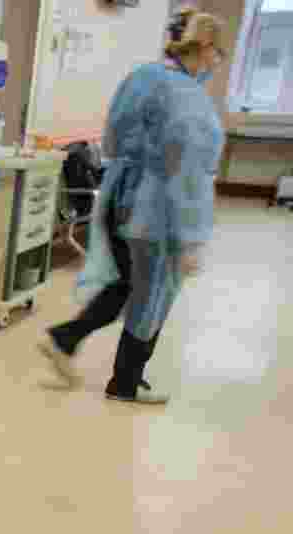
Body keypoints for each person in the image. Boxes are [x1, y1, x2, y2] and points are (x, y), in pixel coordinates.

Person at [39, 9, 226, 404]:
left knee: (128, 285)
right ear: (204, 46)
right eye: (217, 53)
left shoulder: (142, 77)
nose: (215, 63)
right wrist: (191, 237)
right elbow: (186, 172)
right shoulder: (187, 98)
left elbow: (111, 141)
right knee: (152, 292)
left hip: (119, 195)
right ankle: (122, 381)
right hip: (156, 211)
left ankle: (70, 341)